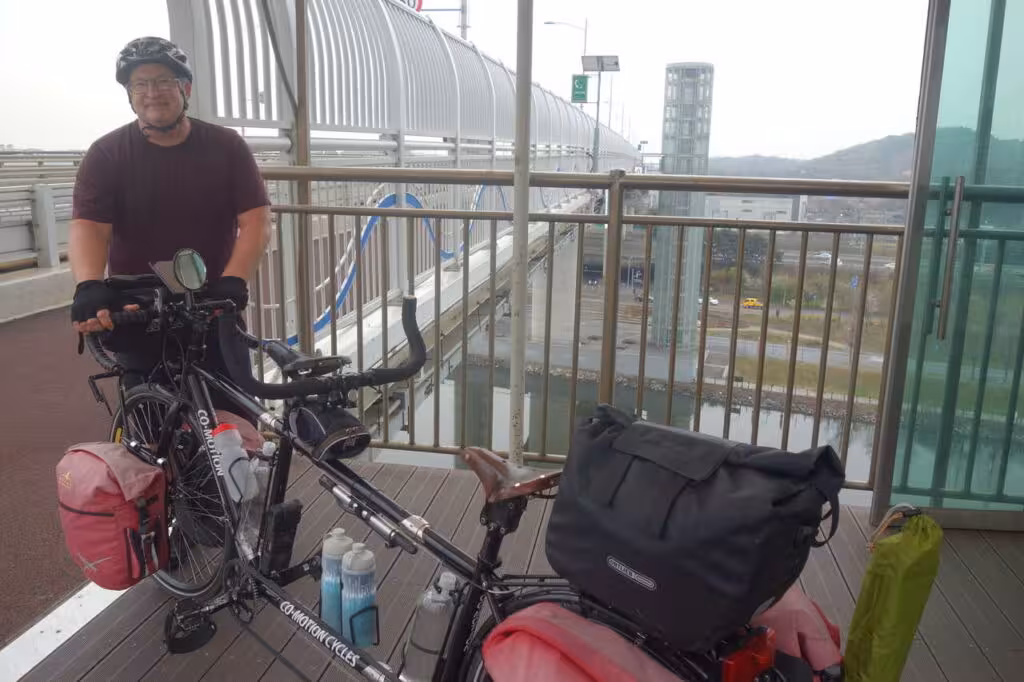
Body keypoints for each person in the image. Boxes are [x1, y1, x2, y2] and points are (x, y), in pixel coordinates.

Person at [69, 37, 271, 398]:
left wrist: (234, 280)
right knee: (150, 412)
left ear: (185, 88)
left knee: (235, 412)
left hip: (212, 302)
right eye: (140, 84)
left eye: (163, 81)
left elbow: (255, 220)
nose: (152, 93)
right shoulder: (106, 154)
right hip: (139, 307)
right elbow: (91, 227)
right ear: (129, 94)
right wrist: (89, 285)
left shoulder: (226, 147)